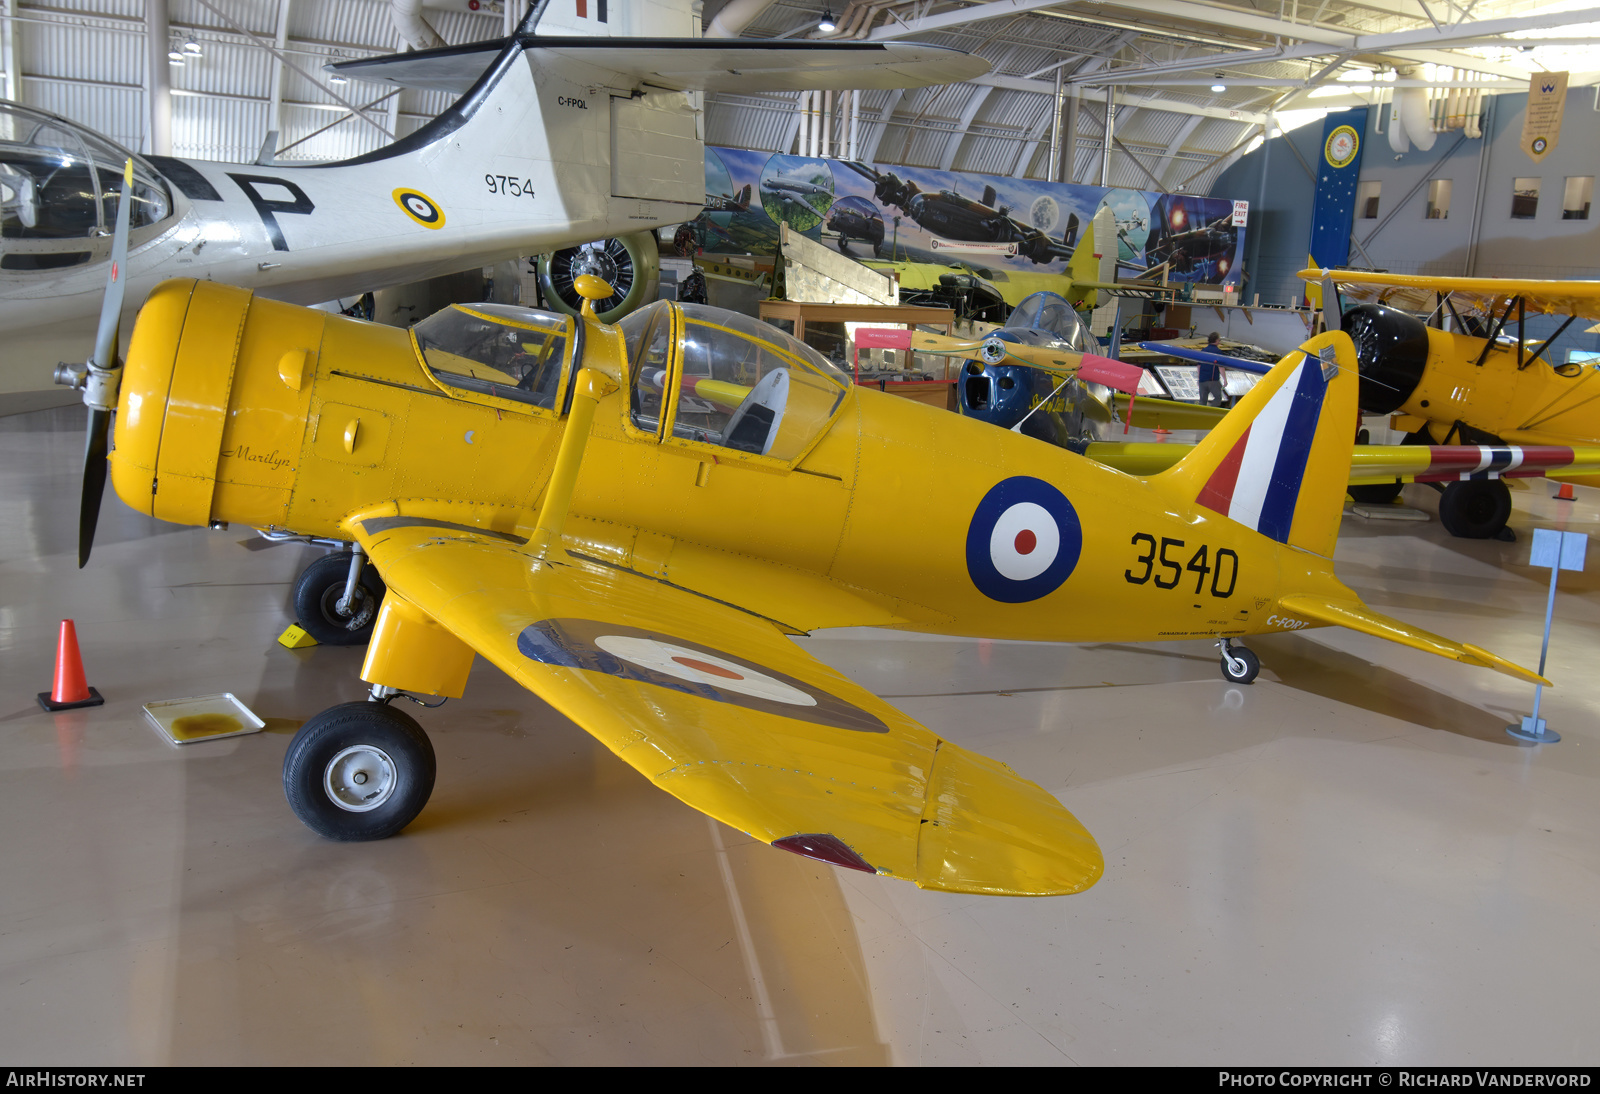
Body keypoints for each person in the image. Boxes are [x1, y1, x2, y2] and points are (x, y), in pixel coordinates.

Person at [1197, 331, 1225, 406]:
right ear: (1216, 341)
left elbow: (1199, 366)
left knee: (1202, 400)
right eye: (1219, 340)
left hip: (1202, 380)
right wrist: (1225, 379)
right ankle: (1210, 408)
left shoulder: (1203, 351)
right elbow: (1221, 367)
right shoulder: (1218, 352)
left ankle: (1202, 414)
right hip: (1213, 380)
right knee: (1218, 397)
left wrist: (1199, 377)